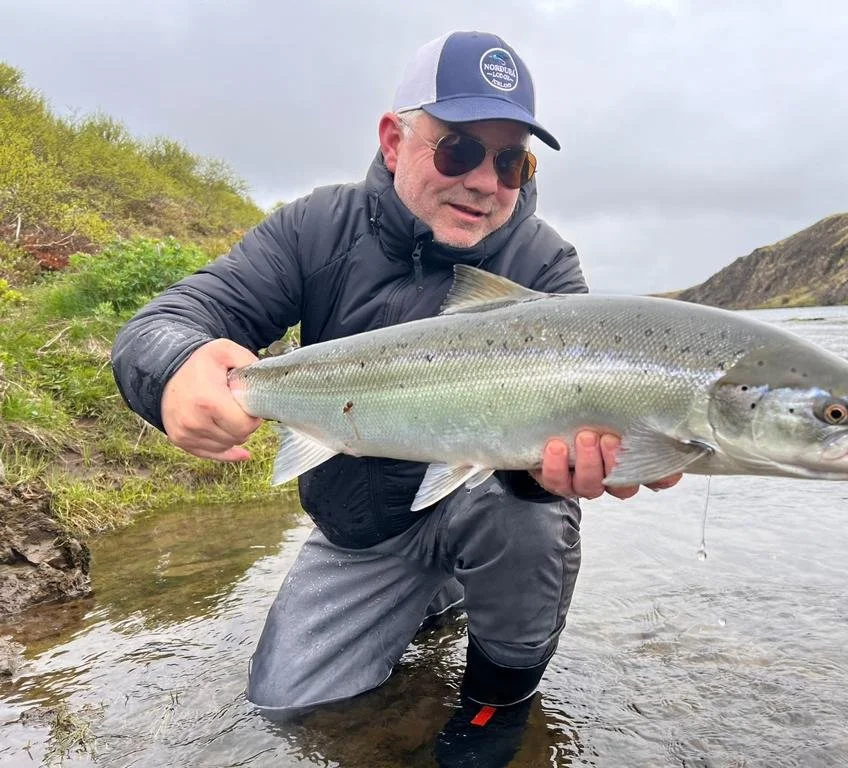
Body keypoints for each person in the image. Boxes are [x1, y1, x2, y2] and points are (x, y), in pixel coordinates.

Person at [111, 29, 681, 764]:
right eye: (459, 150)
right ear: (392, 140)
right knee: (285, 705)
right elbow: (159, 326)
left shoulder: (544, 265)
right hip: (363, 531)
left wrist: (552, 476)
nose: (485, 181)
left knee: (525, 515)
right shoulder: (316, 230)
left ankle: (497, 702)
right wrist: (177, 367)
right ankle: (429, 600)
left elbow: (553, 467)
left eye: (511, 160)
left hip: (484, 515)